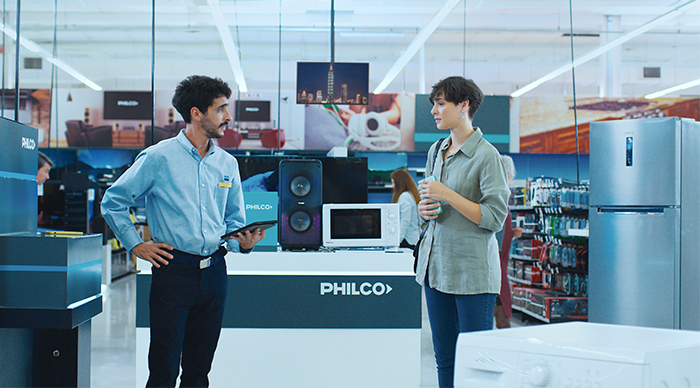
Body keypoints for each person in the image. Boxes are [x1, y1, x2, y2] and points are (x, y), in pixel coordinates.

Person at [101, 75, 265, 387]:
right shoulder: (158, 157)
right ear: (196, 113)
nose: (228, 117)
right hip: (174, 272)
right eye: (221, 109)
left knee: (199, 370)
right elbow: (113, 202)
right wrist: (135, 245)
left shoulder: (227, 164)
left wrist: (244, 242)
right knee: (163, 370)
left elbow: (233, 220)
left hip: (215, 273)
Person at [415, 76, 510, 388]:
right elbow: (432, 205)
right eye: (434, 104)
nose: (434, 110)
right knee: (445, 358)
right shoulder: (436, 150)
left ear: (464, 105)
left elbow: (495, 218)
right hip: (436, 269)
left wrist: (447, 195)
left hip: (472, 275)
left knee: (477, 363)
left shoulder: (486, 156)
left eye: (441, 103)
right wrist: (424, 209)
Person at [494, 154, 523, 329]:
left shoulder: (501, 195)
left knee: (500, 291)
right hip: (496, 257)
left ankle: (502, 326)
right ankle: (502, 327)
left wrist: (511, 233)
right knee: (500, 292)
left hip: (499, 256)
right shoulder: (497, 194)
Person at [390, 168, 420, 249]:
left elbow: (405, 221)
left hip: (407, 240)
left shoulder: (404, 196)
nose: (392, 186)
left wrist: (397, 240)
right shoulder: (411, 195)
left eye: (393, 182)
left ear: (399, 183)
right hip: (413, 239)